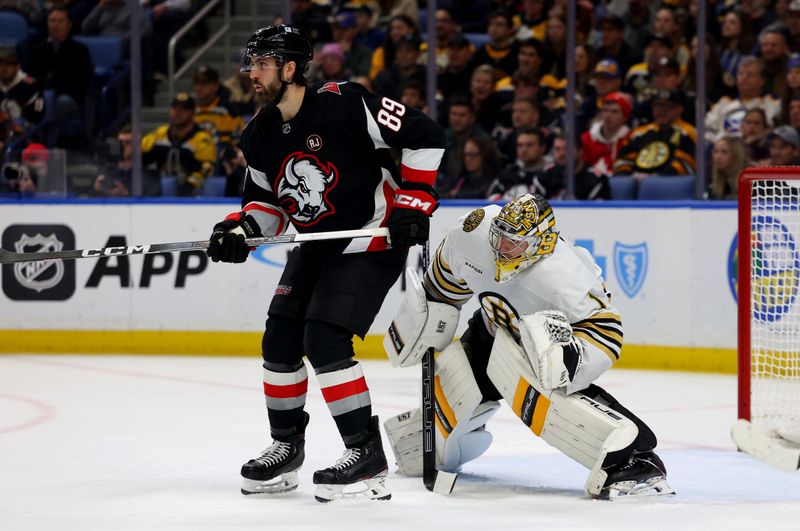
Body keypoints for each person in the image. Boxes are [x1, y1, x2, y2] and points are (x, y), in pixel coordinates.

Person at [205, 24, 445, 503]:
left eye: (262, 63)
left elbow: (426, 134)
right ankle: (286, 448)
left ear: (291, 68)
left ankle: (365, 455)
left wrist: (415, 200)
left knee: (325, 337)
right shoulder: (259, 134)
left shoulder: (346, 102)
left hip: (369, 242)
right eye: (250, 63)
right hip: (316, 244)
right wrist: (240, 230)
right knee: (279, 339)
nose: (251, 72)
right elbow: (267, 207)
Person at [382, 194, 674, 500]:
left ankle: (635, 458)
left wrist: (566, 362)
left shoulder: (566, 278)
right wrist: (429, 320)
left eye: (514, 242)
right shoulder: (474, 234)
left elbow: (607, 331)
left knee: (545, 394)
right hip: (491, 331)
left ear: (541, 243)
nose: (502, 248)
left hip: (539, 349)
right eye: (501, 236)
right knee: (443, 406)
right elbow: (444, 282)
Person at [141, 92, 217, 196]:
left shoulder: (202, 139)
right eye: (175, 108)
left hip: (191, 194)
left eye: (184, 109)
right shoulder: (159, 134)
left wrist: (188, 185)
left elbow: (206, 169)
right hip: (160, 189)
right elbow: (139, 153)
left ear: (193, 113)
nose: (178, 112)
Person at [613, 89, 696, 178]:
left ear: (679, 109)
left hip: (670, 185)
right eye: (658, 106)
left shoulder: (688, 133)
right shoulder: (639, 133)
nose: (661, 111)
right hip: (636, 183)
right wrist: (627, 178)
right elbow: (622, 161)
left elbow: (685, 164)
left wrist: (655, 178)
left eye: (668, 107)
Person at [706, 135, 751, 200]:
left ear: (736, 155)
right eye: (715, 151)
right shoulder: (712, 183)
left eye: (724, 152)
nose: (718, 157)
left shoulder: (751, 180)